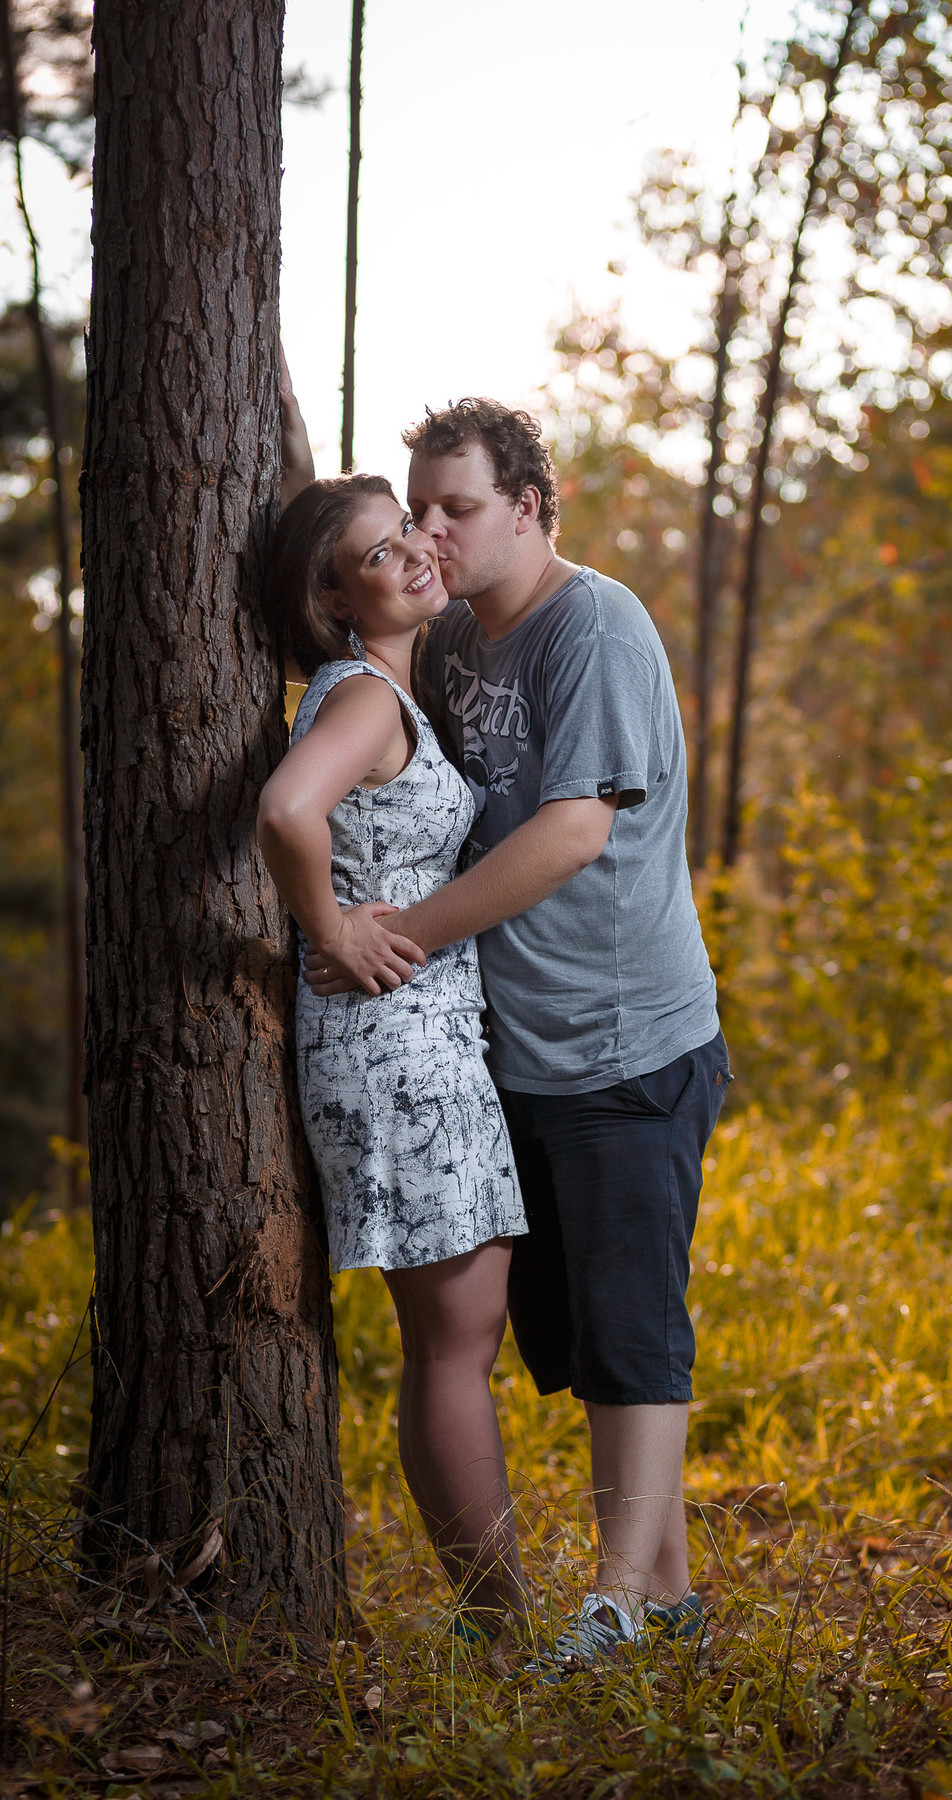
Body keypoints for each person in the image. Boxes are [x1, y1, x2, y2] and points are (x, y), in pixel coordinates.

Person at [287, 393, 731, 1677]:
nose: (430, 532)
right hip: (512, 1053)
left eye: (457, 509)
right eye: (416, 511)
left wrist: (402, 932)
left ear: (529, 508)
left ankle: (612, 1605)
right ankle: (674, 1607)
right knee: (589, 1337)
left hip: (623, 1043)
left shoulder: (594, 623)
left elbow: (573, 830)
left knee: (636, 1336)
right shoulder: (460, 637)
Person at [257, 465, 529, 1644]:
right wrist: (332, 929)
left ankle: (498, 1621)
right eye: (380, 553)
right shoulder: (363, 694)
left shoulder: (382, 690)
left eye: (408, 535)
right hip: (397, 1048)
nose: (416, 553)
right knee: (457, 1346)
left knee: (455, 1342)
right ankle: (505, 1631)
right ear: (334, 598)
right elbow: (286, 811)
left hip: (415, 1043)